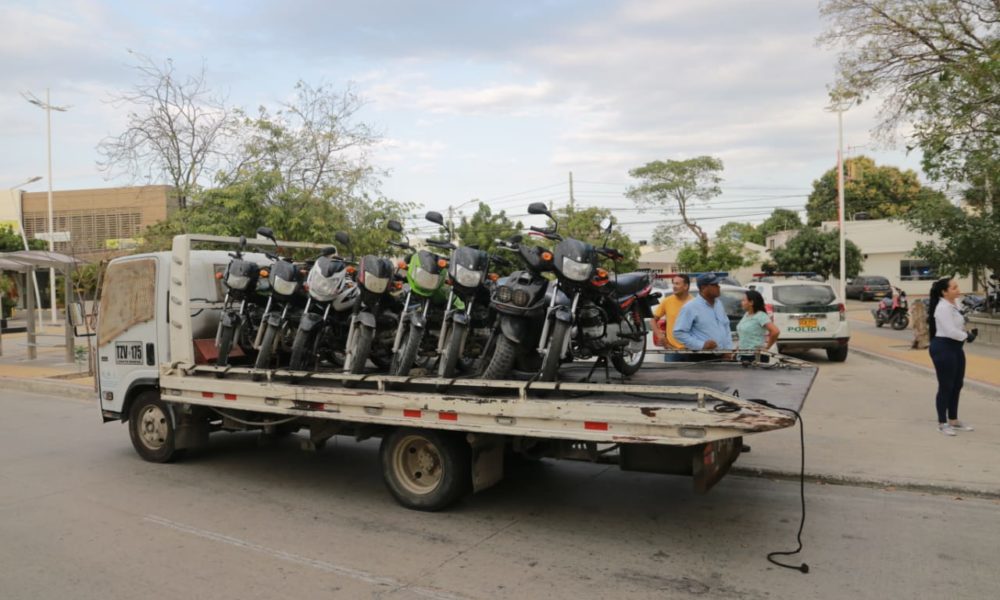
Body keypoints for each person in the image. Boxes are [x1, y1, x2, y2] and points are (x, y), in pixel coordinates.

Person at [927, 277, 978, 436]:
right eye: (954, 287)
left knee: (957, 384)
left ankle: (953, 420)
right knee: (946, 386)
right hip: (943, 348)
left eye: (957, 287)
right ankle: (942, 423)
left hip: (956, 348)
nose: (958, 290)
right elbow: (950, 331)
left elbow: (959, 322)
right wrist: (966, 336)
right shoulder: (942, 308)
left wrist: (966, 331)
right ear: (944, 292)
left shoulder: (955, 303)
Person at [673, 273, 733, 356]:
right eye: (714, 285)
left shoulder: (718, 304)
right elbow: (679, 333)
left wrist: (728, 350)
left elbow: (726, 326)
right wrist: (701, 345)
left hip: (722, 356)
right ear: (703, 288)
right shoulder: (690, 307)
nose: (718, 287)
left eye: (718, 284)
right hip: (701, 356)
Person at [652, 274, 693, 361]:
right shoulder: (667, 301)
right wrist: (659, 335)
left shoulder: (695, 303)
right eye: (673, 283)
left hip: (692, 351)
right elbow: (652, 320)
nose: (674, 286)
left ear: (686, 286)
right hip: (671, 350)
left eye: (677, 284)